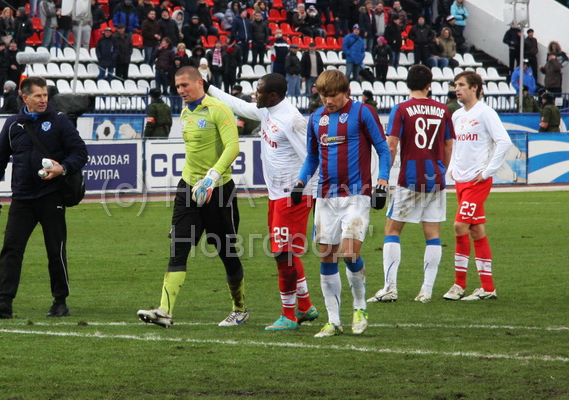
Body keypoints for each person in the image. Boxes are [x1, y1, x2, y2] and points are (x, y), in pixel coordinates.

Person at [206, 73, 320, 330]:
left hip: (292, 195)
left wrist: (305, 188)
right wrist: (209, 88)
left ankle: (288, 315)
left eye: (259, 91)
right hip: (277, 195)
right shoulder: (267, 110)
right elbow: (238, 105)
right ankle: (305, 306)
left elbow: (312, 158)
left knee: (282, 254)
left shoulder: (291, 120)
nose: (254, 95)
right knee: (286, 252)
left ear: (273, 95)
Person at [137, 66, 248, 328]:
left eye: (184, 85)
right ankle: (164, 311)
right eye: (177, 87)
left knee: (226, 251)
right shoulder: (185, 113)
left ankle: (240, 309)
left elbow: (233, 146)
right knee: (179, 247)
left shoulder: (219, 109)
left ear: (200, 83)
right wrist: (195, 181)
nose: (180, 91)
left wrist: (212, 177)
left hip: (219, 191)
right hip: (188, 189)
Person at [293, 69, 391, 337]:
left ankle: (360, 307)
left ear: (346, 92)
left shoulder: (363, 112)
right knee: (326, 255)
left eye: (333, 95)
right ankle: (333, 321)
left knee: (349, 253)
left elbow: (383, 149)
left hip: (357, 194)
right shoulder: (316, 118)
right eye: (323, 96)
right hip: (326, 196)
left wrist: (382, 182)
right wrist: (301, 182)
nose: (328, 101)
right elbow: (312, 157)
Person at [0, 77, 88, 319]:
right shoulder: (13, 124)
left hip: (52, 196)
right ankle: (4, 302)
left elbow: (80, 152)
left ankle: (60, 301)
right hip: (22, 198)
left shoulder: (59, 121)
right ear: (25, 97)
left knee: (55, 250)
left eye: (45, 95)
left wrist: (63, 168)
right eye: (38, 96)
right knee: (11, 249)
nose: (43, 100)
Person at [368, 65, 454, 304]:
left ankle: (390, 288)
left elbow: (391, 145)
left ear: (407, 84)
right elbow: (448, 146)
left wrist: (384, 177)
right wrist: (441, 170)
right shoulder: (443, 110)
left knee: (392, 230)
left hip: (410, 178)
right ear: (429, 85)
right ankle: (426, 291)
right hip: (435, 178)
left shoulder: (401, 109)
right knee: (433, 234)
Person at [443, 71, 512, 301]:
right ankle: (488, 288)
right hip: (461, 181)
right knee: (476, 230)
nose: (457, 89)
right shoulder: (457, 115)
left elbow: (504, 142)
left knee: (459, 226)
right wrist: (452, 167)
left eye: (461, 85)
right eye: (455, 85)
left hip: (477, 181)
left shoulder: (486, 113)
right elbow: (456, 145)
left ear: (475, 88)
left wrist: (488, 171)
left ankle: (459, 285)